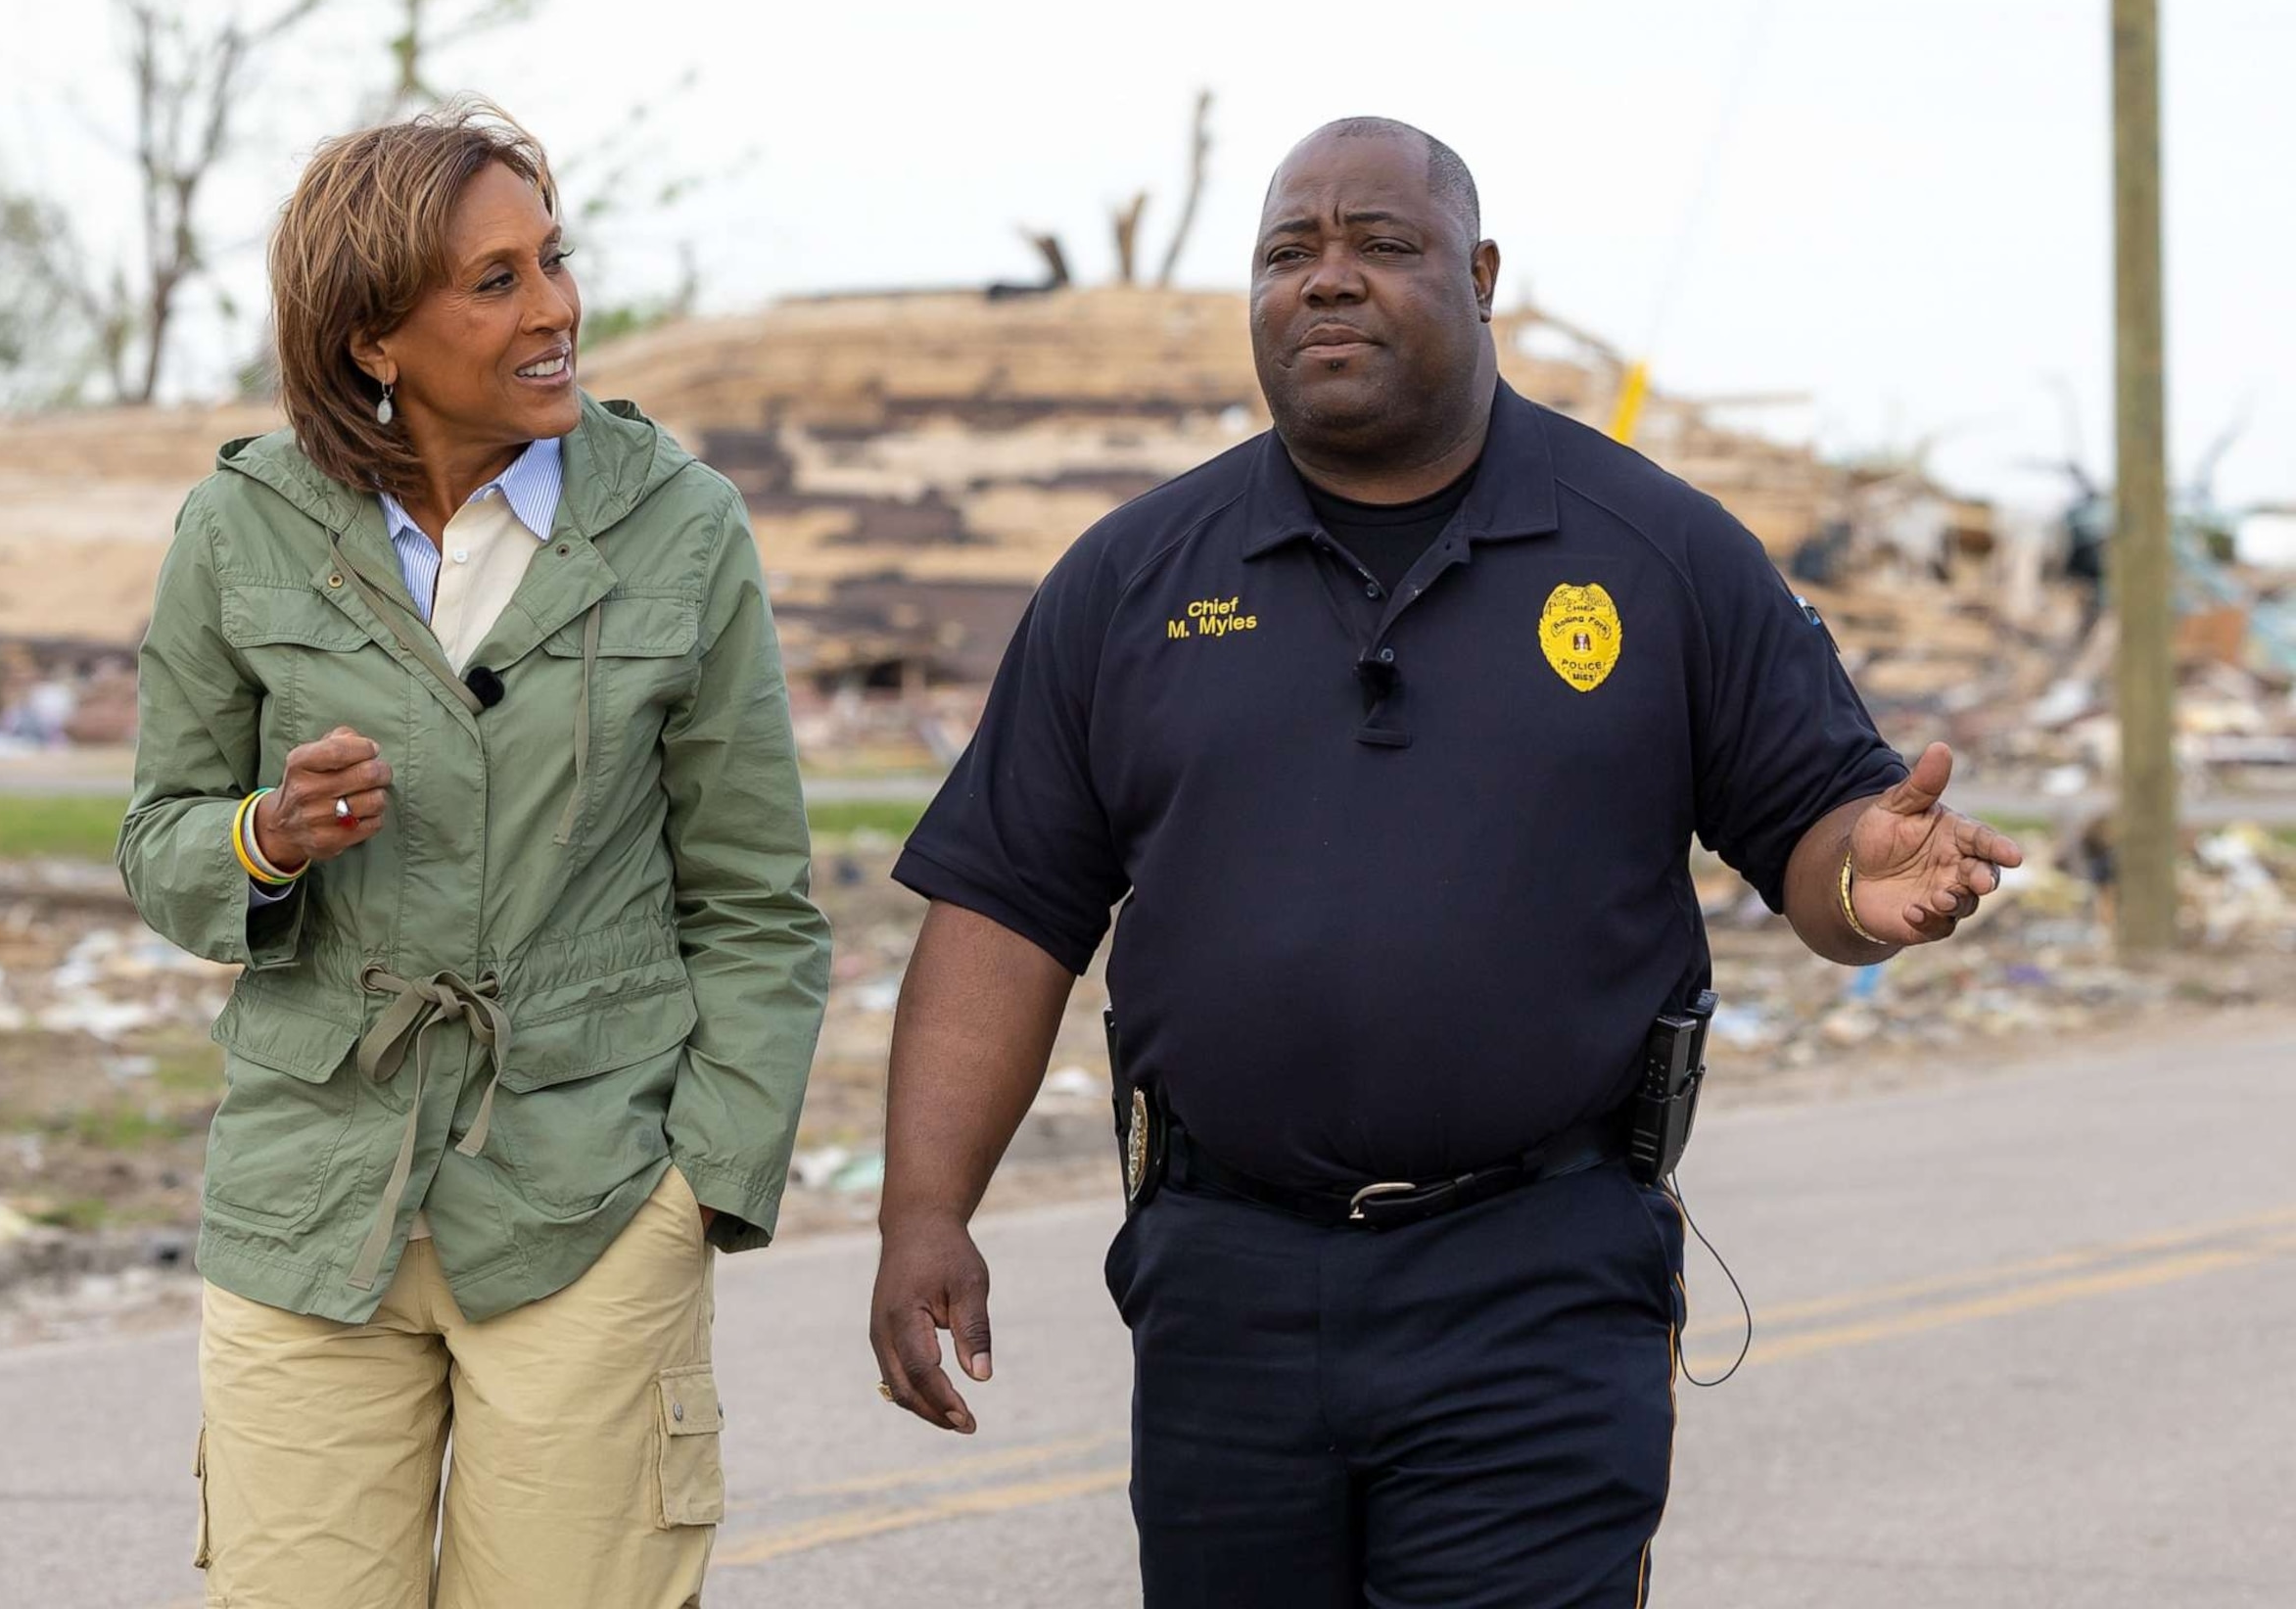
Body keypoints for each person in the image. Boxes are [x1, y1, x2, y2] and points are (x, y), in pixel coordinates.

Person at [866, 117, 2023, 1606]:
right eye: (1291, 253)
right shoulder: (1135, 579)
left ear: (1479, 276)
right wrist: (921, 1210)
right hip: (1228, 1286)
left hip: (1538, 1274)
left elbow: (1816, 832)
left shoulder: (1655, 553)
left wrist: (1868, 886)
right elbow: (1007, 912)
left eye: (1381, 246)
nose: (1328, 282)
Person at [121, 99, 830, 1609]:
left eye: (552, 262)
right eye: (495, 281)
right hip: (314, 1197)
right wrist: (268, 834)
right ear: (374, 335)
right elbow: (160, 843)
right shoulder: (240, 529)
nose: (556, 308)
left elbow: (758, 902)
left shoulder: (680, 530)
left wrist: (700, 1187)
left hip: (590, 1192)